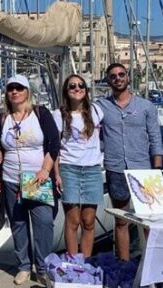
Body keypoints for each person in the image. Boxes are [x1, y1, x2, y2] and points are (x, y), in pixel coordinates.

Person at [0, 74, 59, 286]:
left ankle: (42, 268)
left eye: (19, 88)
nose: (14, 92)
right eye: (11, 88)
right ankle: (24, 266)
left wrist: (45, 170)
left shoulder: (40, 113)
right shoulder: (2, 119)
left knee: (43, 223)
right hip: (10, 179)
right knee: (18, 223)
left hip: (36, 179)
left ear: (28, 92)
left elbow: (54, 143)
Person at [95, 62, 163, 261]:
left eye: (121, 74)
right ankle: (123, 264)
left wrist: (158, 168)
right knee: (121, 220)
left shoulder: (146, 106)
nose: (118, 78)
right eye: (113, 76)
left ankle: (151, 264)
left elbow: (155, 138)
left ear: (128, 77)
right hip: (115, 168)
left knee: (150, 220)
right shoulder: (101, 107)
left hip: (144, 169)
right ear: (108, 81)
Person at [52, 74, 104, 259]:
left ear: (86, 90)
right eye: (72, 86)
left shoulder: (96, 111)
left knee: (88, 221)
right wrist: (57, 174)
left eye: (81, 85)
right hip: (69, 170)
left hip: (92, 170)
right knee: (73, 220)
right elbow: (54, 147)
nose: (77, 88)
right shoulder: (58, 115)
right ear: (66, 91)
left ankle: (86, 262)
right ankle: (74, 262)